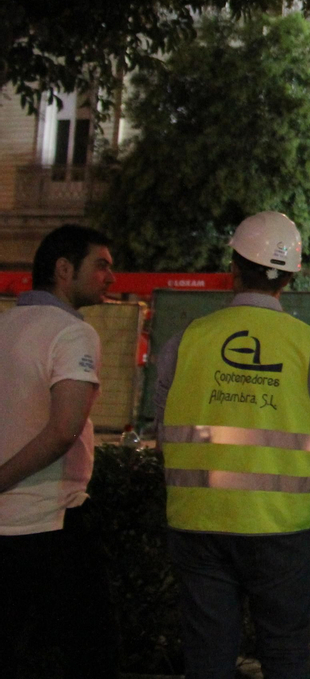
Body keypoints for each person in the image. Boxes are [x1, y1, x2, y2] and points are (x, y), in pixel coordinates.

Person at [152, 211, 310, 679]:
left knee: (208, 659)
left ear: (233, 268)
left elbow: (166, 433)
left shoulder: (186, 341)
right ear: (289, 278)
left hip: (198, 525)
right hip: (280, 528)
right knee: (284, 655)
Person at [0, 225, 120, 679]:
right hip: (49, 520)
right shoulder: (72, 334)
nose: (112, 277)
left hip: (9, 523)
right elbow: (63, 431)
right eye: (102, 265)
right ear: (64, 269)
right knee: (92, 651)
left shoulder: (5, 324)